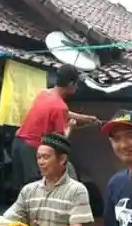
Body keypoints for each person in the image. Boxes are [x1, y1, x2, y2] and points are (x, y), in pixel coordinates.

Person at [11, 63, 98, 191]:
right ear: (70, 85)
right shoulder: (60, 107)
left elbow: (64, 113)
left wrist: (86, 118)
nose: (77, 87)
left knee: (21, 188)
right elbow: (60, 142)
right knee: (35, 190)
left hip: (18, 143)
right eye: (76, 84)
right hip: (31, 149)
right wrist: (71, 127)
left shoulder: (45, 93)